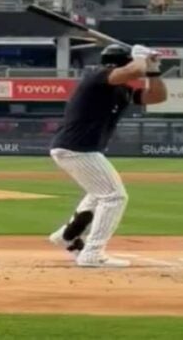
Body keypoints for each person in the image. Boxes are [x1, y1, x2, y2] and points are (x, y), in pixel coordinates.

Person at [47, 44, 166, 268]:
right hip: (77, 148)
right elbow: (132, 71)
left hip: (79, 148)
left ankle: (66, 235)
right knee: (114, 197)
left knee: (98, 194)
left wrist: (153, 69)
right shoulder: (98, 77)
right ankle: (92, 253)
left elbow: (157, 97)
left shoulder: (121, 89)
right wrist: (141, 58)